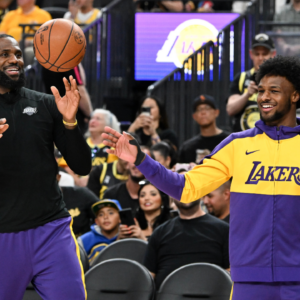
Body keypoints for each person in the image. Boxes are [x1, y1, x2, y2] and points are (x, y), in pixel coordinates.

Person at [102, 55, 300, 299]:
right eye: (260, 90)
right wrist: (142, 159)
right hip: (249, 278)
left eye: (274, 90)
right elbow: (186, 188)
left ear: (295, 95)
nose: (264, 97)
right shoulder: (237, 145)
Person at [0, 34, 91, 299]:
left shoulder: (46, 104)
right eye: (4, 54)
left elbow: (82, 166)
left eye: (17, 53)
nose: (14, 59)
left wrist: (71, 123)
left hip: (51, 230)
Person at [144, 193, 229, 290]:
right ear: (172, 196)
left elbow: (231, 273)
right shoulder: (159, 232)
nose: (186, 193)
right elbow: (149, 277)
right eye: (180, 190)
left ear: (201, 194)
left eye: (190, 189)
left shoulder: (224, 230)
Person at [227, 33, 276, 132]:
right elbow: (230, 109)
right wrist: (247, 94)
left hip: (271, 138)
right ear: (251, 54)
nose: (261, 58)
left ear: (273, 54)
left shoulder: (280, 80)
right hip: (243, 140)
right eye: (257, 54)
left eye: (264, 53)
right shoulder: (241, 78)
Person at [179, 95, 229, 163]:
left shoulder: (229, 141)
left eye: (207, 108)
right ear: (194, 116)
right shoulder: (187, 148)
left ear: (216, 112)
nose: (203, 112)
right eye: (199, 109)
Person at [103, 147, 150, 216]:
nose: (137, 165)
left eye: (143, 161)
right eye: (134, 160)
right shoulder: (111, 195)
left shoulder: (159, 194)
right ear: (127, 164)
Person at [78, 199, 122, 264]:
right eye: (101, 214)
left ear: (120, 218)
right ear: (97, 221)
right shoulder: (83, 240)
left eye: (111, 213)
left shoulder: (128, 237)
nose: (105, 217)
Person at [57, 172, 99, 236]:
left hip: (84, 242)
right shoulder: (37, 202)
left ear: (58, 177)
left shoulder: (81, 194)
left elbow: (103, 211)